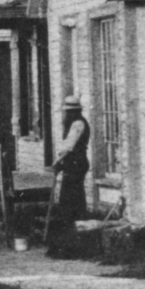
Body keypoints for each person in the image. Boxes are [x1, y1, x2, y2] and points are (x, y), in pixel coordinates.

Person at [52, 95, 90, 229]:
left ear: (74, 112)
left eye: (68, 112)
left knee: (72, 194)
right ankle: (72, 224)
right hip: (73, 163)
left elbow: (68, 146)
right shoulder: (73, 124)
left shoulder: (78, 124)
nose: (66, 115)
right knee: (70, 194)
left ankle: (75, 224)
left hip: (77, 163)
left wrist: (57, 162)